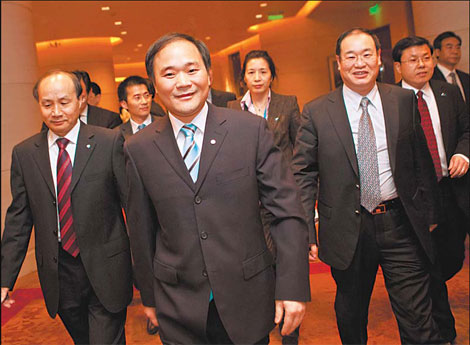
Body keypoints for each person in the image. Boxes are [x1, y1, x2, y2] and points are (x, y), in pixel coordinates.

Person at [124, 32, 310, 344]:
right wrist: (150, 297)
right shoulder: (138, 148)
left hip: (246, 296)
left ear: (209, 75)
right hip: (177, 303)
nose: (182, 82)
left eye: (192, 70)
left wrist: (292, 287)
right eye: (169, 74)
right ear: (155, 87)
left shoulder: (249, 130)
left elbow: (287, 212)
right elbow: (142, 230)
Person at [292, 27, 442, 344]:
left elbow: (421, 161)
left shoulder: (402, 100)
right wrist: (307, 227)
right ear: (338, 62)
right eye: (351, 56)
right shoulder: (317, 112)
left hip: (400, 222)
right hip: (348, 228)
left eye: (366, 54)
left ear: (379, 59)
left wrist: (430, 213)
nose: (359, 63)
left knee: (418, 317)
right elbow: (303, 173)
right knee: (351, 314)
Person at [1, 70, 133, 344]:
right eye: (47, 104)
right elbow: (19, 220)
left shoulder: (108, 143)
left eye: (64, 102)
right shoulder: (25, 154)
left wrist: (147, 273)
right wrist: (5, 277)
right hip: (60, 273)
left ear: (81, 100)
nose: (56, 111)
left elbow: (132, 207)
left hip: (106, 266)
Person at [393, 35, 469, 343]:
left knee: (450, 259)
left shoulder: (448, 92)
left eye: (426, 57)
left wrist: (463, 153)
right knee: (428, 268)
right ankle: (443, 332)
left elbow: (467, 130)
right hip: (415, 200)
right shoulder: (390, 100)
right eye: (413, 60)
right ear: (398, 66)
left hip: (452, 191)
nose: (422, 64)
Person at [228, 49, 301, 344]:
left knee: (287, 267)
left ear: (272, 74)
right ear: (243, 77)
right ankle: (261, 329)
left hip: (280, 201)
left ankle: (290, 335)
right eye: (251, 72)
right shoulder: (232, 109)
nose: (257, 78)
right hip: (245, 206)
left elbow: (300, 152)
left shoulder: (288, 103)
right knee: (257, 270)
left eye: (263, 71)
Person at [115, 75, 161, 336]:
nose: (144, 101)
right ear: (124, 103)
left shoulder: (167, 126)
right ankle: (152, 305)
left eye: (146, 95)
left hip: (167, 206)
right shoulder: (116, 137)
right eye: (136, 97)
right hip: (136, 210)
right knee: (145, 257)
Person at [432, 31, 470, 108]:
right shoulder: (430, 78)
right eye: (449, 47)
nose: (455, 51)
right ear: (437, 52)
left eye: (458, 47)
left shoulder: (466, 78)